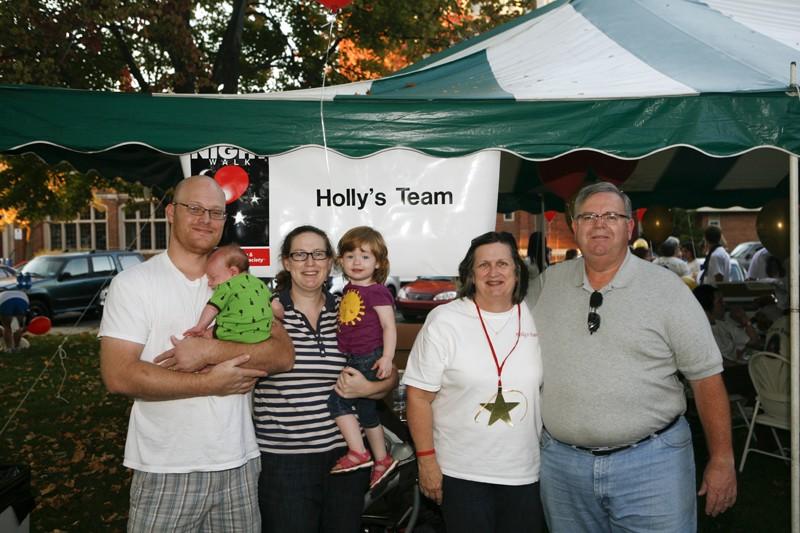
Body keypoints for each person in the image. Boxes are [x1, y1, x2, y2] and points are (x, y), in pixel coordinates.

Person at [532, 182, 736, 532]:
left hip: (653, 466)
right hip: (563, 469)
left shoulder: (667, 290)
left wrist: (722, 459)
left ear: (629, 228)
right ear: (574, 227)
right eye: (588, 216)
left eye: (611, 215)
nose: (599, 224)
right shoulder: (545, 286)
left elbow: (706, 379)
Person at [99, 175, 295, 532]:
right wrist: (210, 384)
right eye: (195, 209)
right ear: (171, 212)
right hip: (165, 468)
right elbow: (118, 375)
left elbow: (282, 354)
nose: (206, 219)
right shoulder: (134, 284)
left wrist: (209, 350)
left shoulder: (243, 282)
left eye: (216, 213)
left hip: (238, 463)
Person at [257, 225, 398, 533]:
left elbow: (387, 373)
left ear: (331, 261)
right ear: (286, 262)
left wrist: (373, 387)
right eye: (300, 254)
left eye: (319, 254)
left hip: (347, 460)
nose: (310, 263)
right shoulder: (267, 312)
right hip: (284, 463)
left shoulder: (349, 308)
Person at [404, 231, 544, 533]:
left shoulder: (537, 316)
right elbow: (417, 396)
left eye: (503, 264)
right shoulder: (445, 320)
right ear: (470, 273)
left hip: (525, 473)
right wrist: (426, 462)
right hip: (460, 474)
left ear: (517, 271)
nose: (494, 272)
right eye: (483, 265)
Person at [327, 226, 398, 488]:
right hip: (354, 357)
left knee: (338, 402)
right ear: (340, 260)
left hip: (368, 357)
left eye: (366, 256)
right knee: (368, 411)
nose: (357, 262)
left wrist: (388, 357)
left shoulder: (377, 291)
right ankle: (382, 459)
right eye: (350, 256)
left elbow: (389, 326)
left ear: (378, 262)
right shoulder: (347, 290)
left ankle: (358, 451)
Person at [183, 243, 272, 344]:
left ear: (233, 272)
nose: (209, 283)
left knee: (207, 335)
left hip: (232, 332)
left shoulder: (227, 286)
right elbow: (276, 307)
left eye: (213, 278)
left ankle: (187, 344)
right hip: (260, 335)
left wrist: (200, 327)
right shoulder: (259, 284)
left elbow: (212, 308)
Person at [0, 288, 29, 352]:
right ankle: (17, 347)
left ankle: (9, 349)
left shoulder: (2, 293)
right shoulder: (19, 290)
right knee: (17, 326)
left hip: (5, 299)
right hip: (23, 299)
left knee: (7, 327)